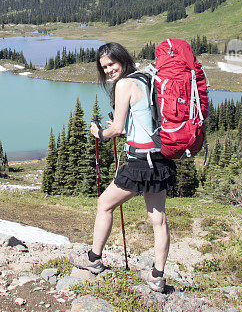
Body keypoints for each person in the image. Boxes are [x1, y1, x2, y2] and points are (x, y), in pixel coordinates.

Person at [71, 42, 176, 293]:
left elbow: (116, 129)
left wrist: (100, 133)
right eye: (104, 67)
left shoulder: (124, 84)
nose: (108, 70)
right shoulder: (146, 78)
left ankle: (94, 259)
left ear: (122, 59)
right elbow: (143, 122)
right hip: (160, 159)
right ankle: (157, 276)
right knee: (158, 219)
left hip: (140, 163)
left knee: (104, 204)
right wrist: (123, 128)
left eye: (111, 64)